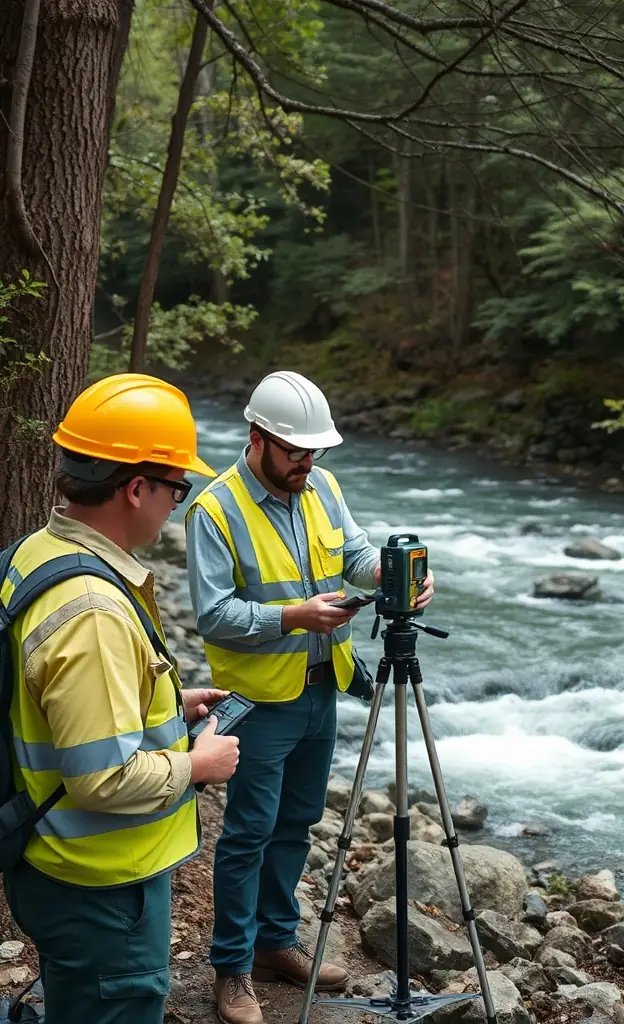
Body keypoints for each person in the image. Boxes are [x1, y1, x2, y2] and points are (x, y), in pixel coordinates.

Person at [185, 370, 434, 1024]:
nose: (307, 463)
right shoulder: (214, 509)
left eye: (314, 451)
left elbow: (353, 554)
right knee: (247, 835)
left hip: (322, 690)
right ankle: (232, 968)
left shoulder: (321, 484)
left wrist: (390, 574)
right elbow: (212, 615)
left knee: (295, 826)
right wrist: (291, 617)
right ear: (257, 437)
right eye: (296, 451)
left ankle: (274, 941)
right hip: (259, 703)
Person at [1, 373, 241, 1024]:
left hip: (52, 864)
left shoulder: (35, 552)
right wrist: (200, 764)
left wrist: (165, 701)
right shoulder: (94, 612)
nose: (176, 505)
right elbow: (102, 778)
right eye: (177, 489)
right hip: (100, 887)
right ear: (137, 488)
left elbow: (52, 698)